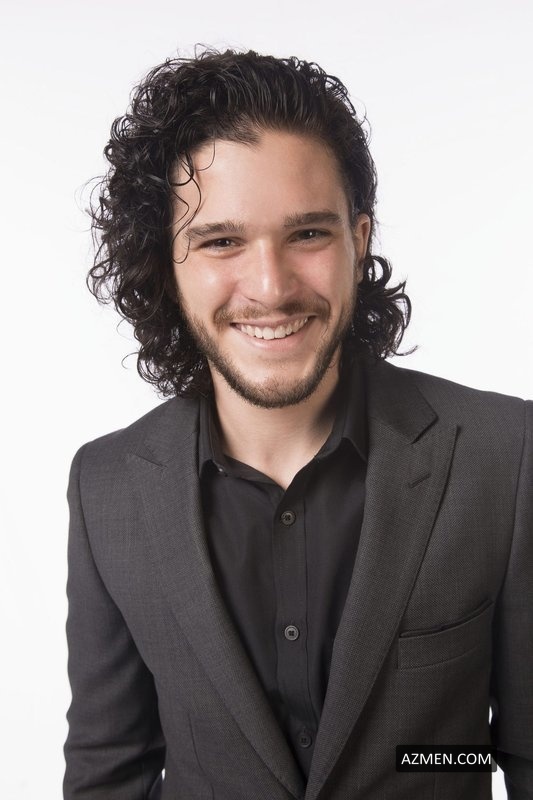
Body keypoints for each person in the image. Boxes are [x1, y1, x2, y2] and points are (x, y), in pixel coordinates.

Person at [63, 48, 532, 800]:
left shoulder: (504, 456)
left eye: (308, 233)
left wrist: (432, 763)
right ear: (167, 262)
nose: (271, 286)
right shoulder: (107, 486)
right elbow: (109, 771)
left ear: (359, 239)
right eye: (221, 240)